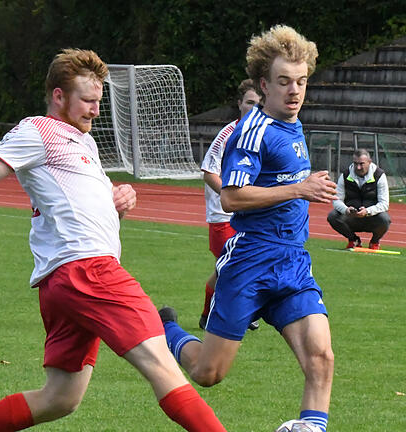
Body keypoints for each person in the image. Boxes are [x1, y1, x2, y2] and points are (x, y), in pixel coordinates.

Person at [0, 49, 225, 432]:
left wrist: (118, 202)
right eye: (86, 100)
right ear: (58, 96)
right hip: (88, 271)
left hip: (67, 280)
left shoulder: (84, 143)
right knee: (163, 365)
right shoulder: (37, 130)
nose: (95, 110)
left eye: (99, 101)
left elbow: (76, 206)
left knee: (61, 397)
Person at [158, 25, 336, 432]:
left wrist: (314, 191)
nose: (294, 91)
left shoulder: (294, 125)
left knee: (321, 358)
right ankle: (165, 328)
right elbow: (232, 198)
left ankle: (310, 427)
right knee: (208, 373)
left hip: (292, 261)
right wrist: (299, 188)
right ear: (263, 83)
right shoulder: (252, 131)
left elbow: (289, 188)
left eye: (301, 82)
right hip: (251, 260)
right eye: (284, 82)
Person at [199, 78, 260, 330]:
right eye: (249, 103)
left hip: (245, 217)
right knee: (235, 267)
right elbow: (208, 172)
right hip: (222, 217)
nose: (254, 108)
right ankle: (233, 316)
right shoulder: (228, 134)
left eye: (259, 104)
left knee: (227, 269)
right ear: (239, 104)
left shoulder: (259, 134)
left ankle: (210, 315)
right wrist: (231, 196)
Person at [326, 148, 391, 250]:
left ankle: (375, 242)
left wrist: (368, 211)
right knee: (332, 216)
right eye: (355, 163)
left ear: (369, 162)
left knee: (385, 219)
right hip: (351, 217)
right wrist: (346, 210)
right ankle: (353, 240)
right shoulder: (345, 175)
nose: (358, 167)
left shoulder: (379, 175)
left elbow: (384, 204)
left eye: (361, 164)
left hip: (372, 217)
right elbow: (336, 200)